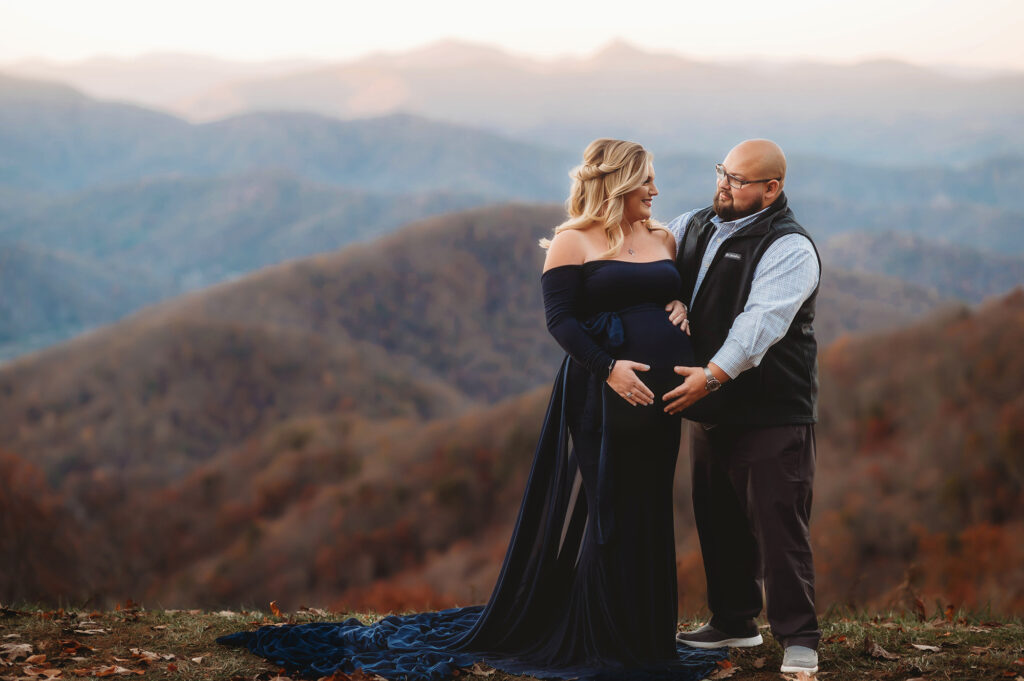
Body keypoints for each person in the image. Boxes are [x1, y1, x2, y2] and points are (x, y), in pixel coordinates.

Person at [216, 139, 725, 681]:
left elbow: (673, 293)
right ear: (618, 183)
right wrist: (610, 369)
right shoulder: (572, 242)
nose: (655, 190)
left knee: (650, 507)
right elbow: (562, 322)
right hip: (604, 394)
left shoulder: (664, 236)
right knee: (612, 511)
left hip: (665, 403)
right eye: (646, 180)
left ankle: (648, 635)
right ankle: (606, 636)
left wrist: (678, 304)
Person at [661, 139, 822, 675]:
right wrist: (672, 296)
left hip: (772, 410)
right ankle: (734, 622)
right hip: (711, 406)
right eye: (721, 173)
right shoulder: (695, 223)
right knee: (717, 518)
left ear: (771, 189)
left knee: (779, 525)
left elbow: (760, 325)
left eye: (737, 180)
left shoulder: (789, 247)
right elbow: (652, 257)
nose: (723, 185)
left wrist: (710, 377)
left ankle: (800, 638)